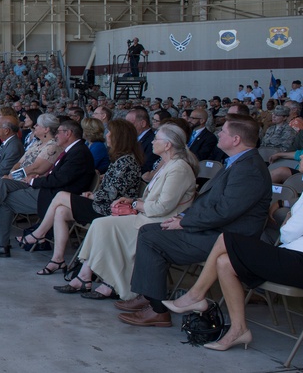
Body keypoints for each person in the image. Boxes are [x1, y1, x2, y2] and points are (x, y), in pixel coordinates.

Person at [117, 114, 271, 328]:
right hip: (214, 231)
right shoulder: (239, 163)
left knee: (151, 237)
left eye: (224, 131)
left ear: (236, 140)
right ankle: (150, 298)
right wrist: (183, 217)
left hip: (227, 239)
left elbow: (225, 212)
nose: (218, 133)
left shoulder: (249, 169)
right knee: (150, 232)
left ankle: (157, 308)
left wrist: (185, 222)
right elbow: (212, 204)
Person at [163, 135, 303, 352]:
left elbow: (289, 234)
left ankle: (196, 295)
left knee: (226, 239)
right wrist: (289, 220)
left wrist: (288, 221)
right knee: (225, 262)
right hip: (295, 258)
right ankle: (238, 329)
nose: (302, 156)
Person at [57, 123, 198, 299]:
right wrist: (133, 200)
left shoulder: (179, 168)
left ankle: (108, 283)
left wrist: (134, 205)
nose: (152, 142)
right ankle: (86, 276)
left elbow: (162, 207)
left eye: (156, 139)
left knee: (105, 226)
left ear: (167, 145)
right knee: (101, 224)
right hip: (148, 217)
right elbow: (155, 201)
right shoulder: (169, 166)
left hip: (160, 223)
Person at [19, 118, 144, 274]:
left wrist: (93, 197)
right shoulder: (121, 159)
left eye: (110, 133)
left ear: (119, 137)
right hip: (103, 202)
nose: (107, 136)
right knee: (61, 211)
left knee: (61, 196)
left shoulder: (126, 162)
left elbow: (113, 194)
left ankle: (39, 234)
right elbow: (112, 189)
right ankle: (57, 259)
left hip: (110, 209)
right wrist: (93, 194)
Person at [0, 120, 96, 258]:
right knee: (3, 184)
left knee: (4, 201)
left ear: (68, 134)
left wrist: (34, 180)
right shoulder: (74, 151)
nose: (55, 135)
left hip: (54, 196)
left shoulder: (78, 153)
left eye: (58, 132)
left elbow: (59, 180)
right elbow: (58, 177)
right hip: (49, 190)